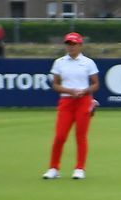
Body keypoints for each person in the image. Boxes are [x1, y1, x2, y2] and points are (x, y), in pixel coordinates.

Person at [42, 32, 99, 180]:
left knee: (80, 136)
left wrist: (84, 91)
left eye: (74, 44)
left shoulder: (88, 63)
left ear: (80, 45)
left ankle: (80, 168)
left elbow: (95, 84)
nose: (71, 47)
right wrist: (70, 91)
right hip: (66, 101)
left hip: (83, 101)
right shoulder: (59, 62)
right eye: (68, 44)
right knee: (60, 136)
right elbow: (55, 84)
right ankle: (54, 168)